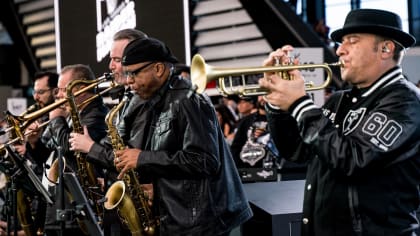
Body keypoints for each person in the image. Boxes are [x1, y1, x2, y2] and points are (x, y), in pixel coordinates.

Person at [259, 9, 420, 235]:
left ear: (386, 49)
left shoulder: (405, 101)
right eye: (341, 43)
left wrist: (299, 104)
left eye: (352, 42)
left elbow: (353, 160)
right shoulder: (338, 100)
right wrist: (278, 105)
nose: (339, 50)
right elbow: (296, 151)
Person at [113, 37, 252, 235]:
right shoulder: (159, 99)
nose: (129, 81)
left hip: (202, 223)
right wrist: (159, 190)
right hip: (185, 216)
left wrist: (142, 158)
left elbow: (204, 160)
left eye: (133, 73)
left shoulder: (188, 99)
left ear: (159, 69)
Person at [69, 28, 149, 236]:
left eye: (116, 59)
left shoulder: (143, 103)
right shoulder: (126, 100)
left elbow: (129, 156)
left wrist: (90, 148)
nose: (110, 66)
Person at [42, 64, 109, 236]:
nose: (59, 96)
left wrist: (56, 119)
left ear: (79, 89)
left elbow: (68, 146)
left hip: (84, 204)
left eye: (63, 90)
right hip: (69, 205)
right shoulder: (76, 113)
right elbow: (50, 143)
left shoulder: (96, 114)